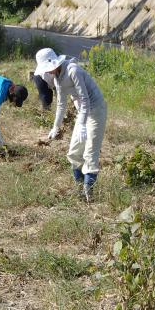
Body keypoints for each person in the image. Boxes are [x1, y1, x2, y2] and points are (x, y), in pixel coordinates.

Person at [35, 48, 107, 201]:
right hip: (83, 112)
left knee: (90, 153)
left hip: (96, 110)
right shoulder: (57, 78)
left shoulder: (73, 70)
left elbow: (85, 99)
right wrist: (56, 126)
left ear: (53, 63)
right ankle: (79, 191)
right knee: (74, 153)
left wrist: (81, 124)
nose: (48, 73)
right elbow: (61, 104)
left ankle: (90, 197)